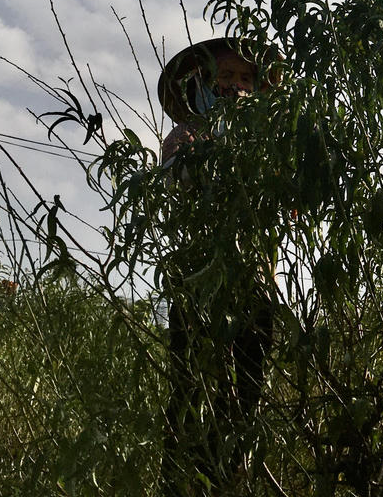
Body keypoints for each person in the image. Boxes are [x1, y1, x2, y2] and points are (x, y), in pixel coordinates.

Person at [156, 37, 277, 496]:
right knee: (192, 391)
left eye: (246, 78)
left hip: (255, 282)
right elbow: (179, 182)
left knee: (246, 394)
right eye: (226, 76)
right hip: (197, 280)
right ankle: (182, 483)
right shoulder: (184, 138)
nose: (237, 87)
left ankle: (233, 477)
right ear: (203, 85)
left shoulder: (270, 143)